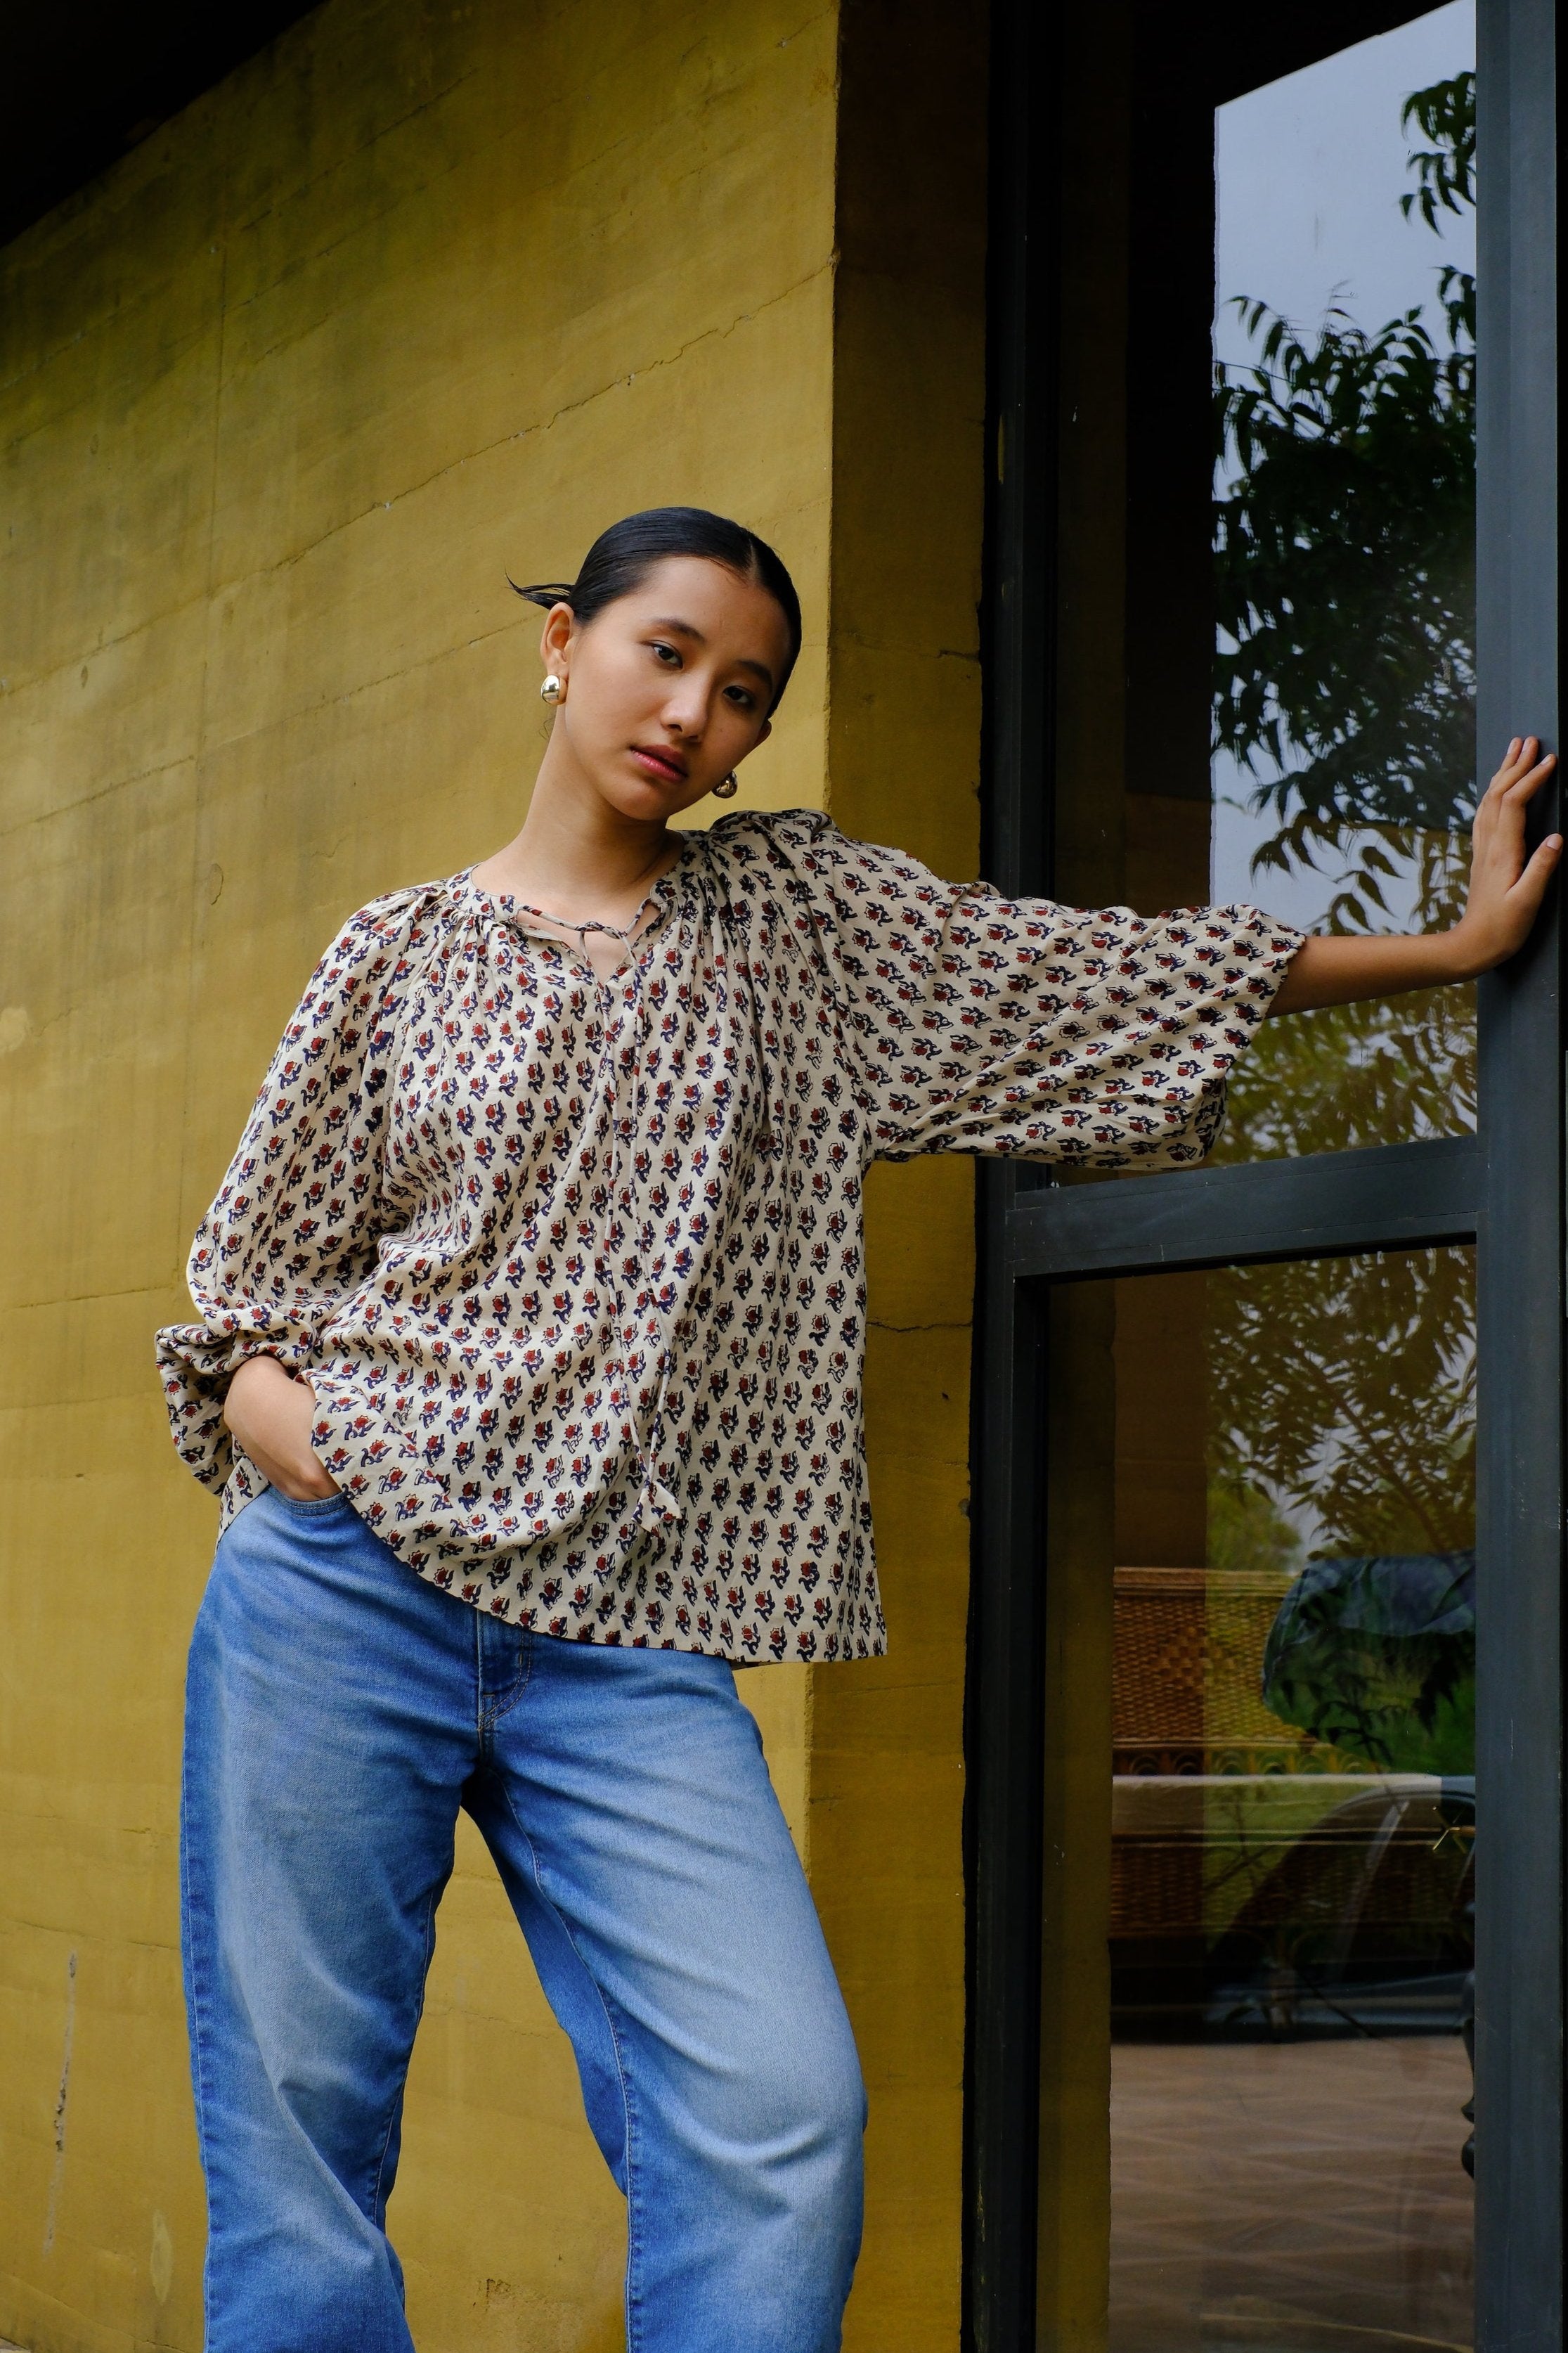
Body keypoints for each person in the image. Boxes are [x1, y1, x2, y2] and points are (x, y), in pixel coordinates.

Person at [156, 505, 1558, 2353]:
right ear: (562, 641)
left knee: (776, 2109)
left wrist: (1448, 950)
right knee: (297, 2152)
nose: (696, 714)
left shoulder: (792, 928)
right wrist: (286, 1419)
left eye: (745, 694)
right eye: (665, 651)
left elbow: (1077, 975)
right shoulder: (397, 953)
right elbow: (242, 1281)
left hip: (631, 1639)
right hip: (343, 1589)